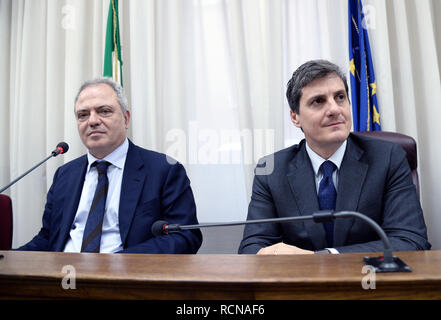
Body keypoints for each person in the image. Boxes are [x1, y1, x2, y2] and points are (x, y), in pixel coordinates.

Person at [238, 59, 430, 255]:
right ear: (295, 117)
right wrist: (269, 254)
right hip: (300, 284)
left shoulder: (388, 158)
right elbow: (252, 247)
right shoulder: (271, 170)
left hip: (371, 279)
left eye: (340, 97)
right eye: (318, 101)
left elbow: (410, 240)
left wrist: (326, 257)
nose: (335, 109)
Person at [18, 77, 202, 253]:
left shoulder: (164, 170)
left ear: (126, 118)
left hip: (125, 279)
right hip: (63, 277)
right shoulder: (65, 175)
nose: (92, 121)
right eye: (83, 115)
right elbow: (48, 238)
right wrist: (10, 258)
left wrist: (117, 265)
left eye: (104, 111)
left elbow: (185, 236)